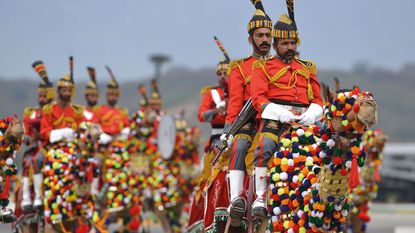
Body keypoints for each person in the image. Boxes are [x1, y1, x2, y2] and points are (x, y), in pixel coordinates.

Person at [250, 0, 323, 218]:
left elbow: (318, 99)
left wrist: (310, 115)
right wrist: (282, 113)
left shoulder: (307, 68)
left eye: (293, 43)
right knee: (266, 146)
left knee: (324, 150)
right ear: (275, 45)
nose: (290, 48)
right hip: (275, 118)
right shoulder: (262, 67)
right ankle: (260, 198)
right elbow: (259, 100)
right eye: (285, 44)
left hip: (305, 120)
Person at [223, 0, 273, 226]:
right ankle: (237, 200)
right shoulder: (239, 67)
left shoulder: (280, 65)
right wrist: (228, 132)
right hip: (249, 123)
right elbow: (234, 103)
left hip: (277, 121)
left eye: (268, 35)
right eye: (260, 35)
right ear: (250, 39)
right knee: (241, 145)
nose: (265, 40)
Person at [187, 36, 229, 233]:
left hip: (241, 135)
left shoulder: (241, 90)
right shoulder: (211, 94)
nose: (222, 76)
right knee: (212, 177)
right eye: (219, 73)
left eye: (226, 72)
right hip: (217, 139)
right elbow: (201, 115)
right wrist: (216, 110)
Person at [20, 61, 55, 211]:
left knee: (40, 158)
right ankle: (28, 198)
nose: (42, 99)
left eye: (44, 96)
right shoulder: (31, 113)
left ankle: (42, 197)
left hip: (50, 145)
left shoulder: (53, 111)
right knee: (29, 160)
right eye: (40, 96)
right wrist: (30, 139)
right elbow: (25, 136)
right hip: (35, 147)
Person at [96, 66, 130, 144]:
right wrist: (101, 135)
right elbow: (95, 126)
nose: (113, 97)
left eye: (115, 95)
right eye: (111, 95)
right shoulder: (99, 110)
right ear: (107, 95)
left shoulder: (122, 111)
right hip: (103, 144)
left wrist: (125, 132)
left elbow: (126, 126)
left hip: (118, 143)